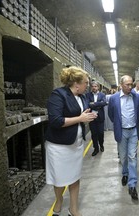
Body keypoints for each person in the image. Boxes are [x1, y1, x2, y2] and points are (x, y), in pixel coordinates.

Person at [45, 66, 97, 216]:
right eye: (86, 83)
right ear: (76, 84)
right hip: (59, 146)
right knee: (60, 179)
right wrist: (80, 118)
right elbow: (55, 120)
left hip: (76, 144)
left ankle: (73, 209)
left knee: (75, 177)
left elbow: (81, 114)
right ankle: (59, 200)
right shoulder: (58, 94)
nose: (87, 86)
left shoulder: (82, 97)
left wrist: (88, 116)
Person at [108, 75, 139, 200]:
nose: (130, 87)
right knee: (123, 157)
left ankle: (132, 184)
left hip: (133, 130)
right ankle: (124, 173)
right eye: (127, 85)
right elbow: (111, 115)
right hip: (121, 131)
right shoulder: (114, 99)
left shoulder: (137, 97)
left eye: (131, 84)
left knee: (132, 156)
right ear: (121, 85)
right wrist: (119, 124)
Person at [85, 81, 107, 156]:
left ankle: (101, 145)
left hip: (100, 117)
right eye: (92, 86)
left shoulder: (102, 94)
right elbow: (87, 104)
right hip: (91, 117)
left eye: (95, 86)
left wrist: (93, 103)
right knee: (94, 134)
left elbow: (104, 103)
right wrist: (98, 104)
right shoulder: (87, 95)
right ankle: (96, 148)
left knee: (100, 133)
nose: (94, 88)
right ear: (91, 87)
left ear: (98, 87)